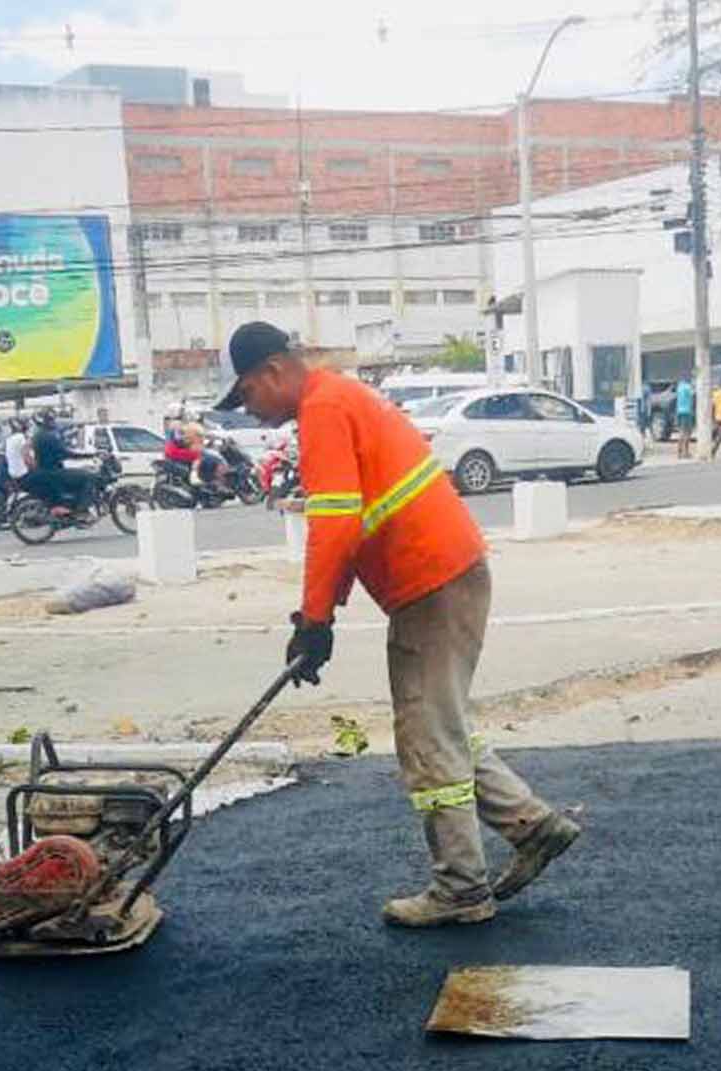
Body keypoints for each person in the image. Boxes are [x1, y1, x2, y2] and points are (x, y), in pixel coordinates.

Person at [220, 321, 580, 926]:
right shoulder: (337, 397)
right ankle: (533, 826)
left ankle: (461, 889)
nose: (249, 411)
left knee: (427, 735)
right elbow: (350, 521)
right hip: (448, 573)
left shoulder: (323, 410)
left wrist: (315, 621)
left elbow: (334, 523)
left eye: (248, 394)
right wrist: (320, 616)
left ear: (274, 371)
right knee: (442, 724)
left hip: (431, 583)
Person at [673, 375, 696, 459]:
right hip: (687, 411)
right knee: (687, 432)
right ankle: (686, 452)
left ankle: (679, 452)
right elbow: (693, 395)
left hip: (679, 411)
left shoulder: (679, 387)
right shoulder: (688, 387)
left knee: (681, 432)